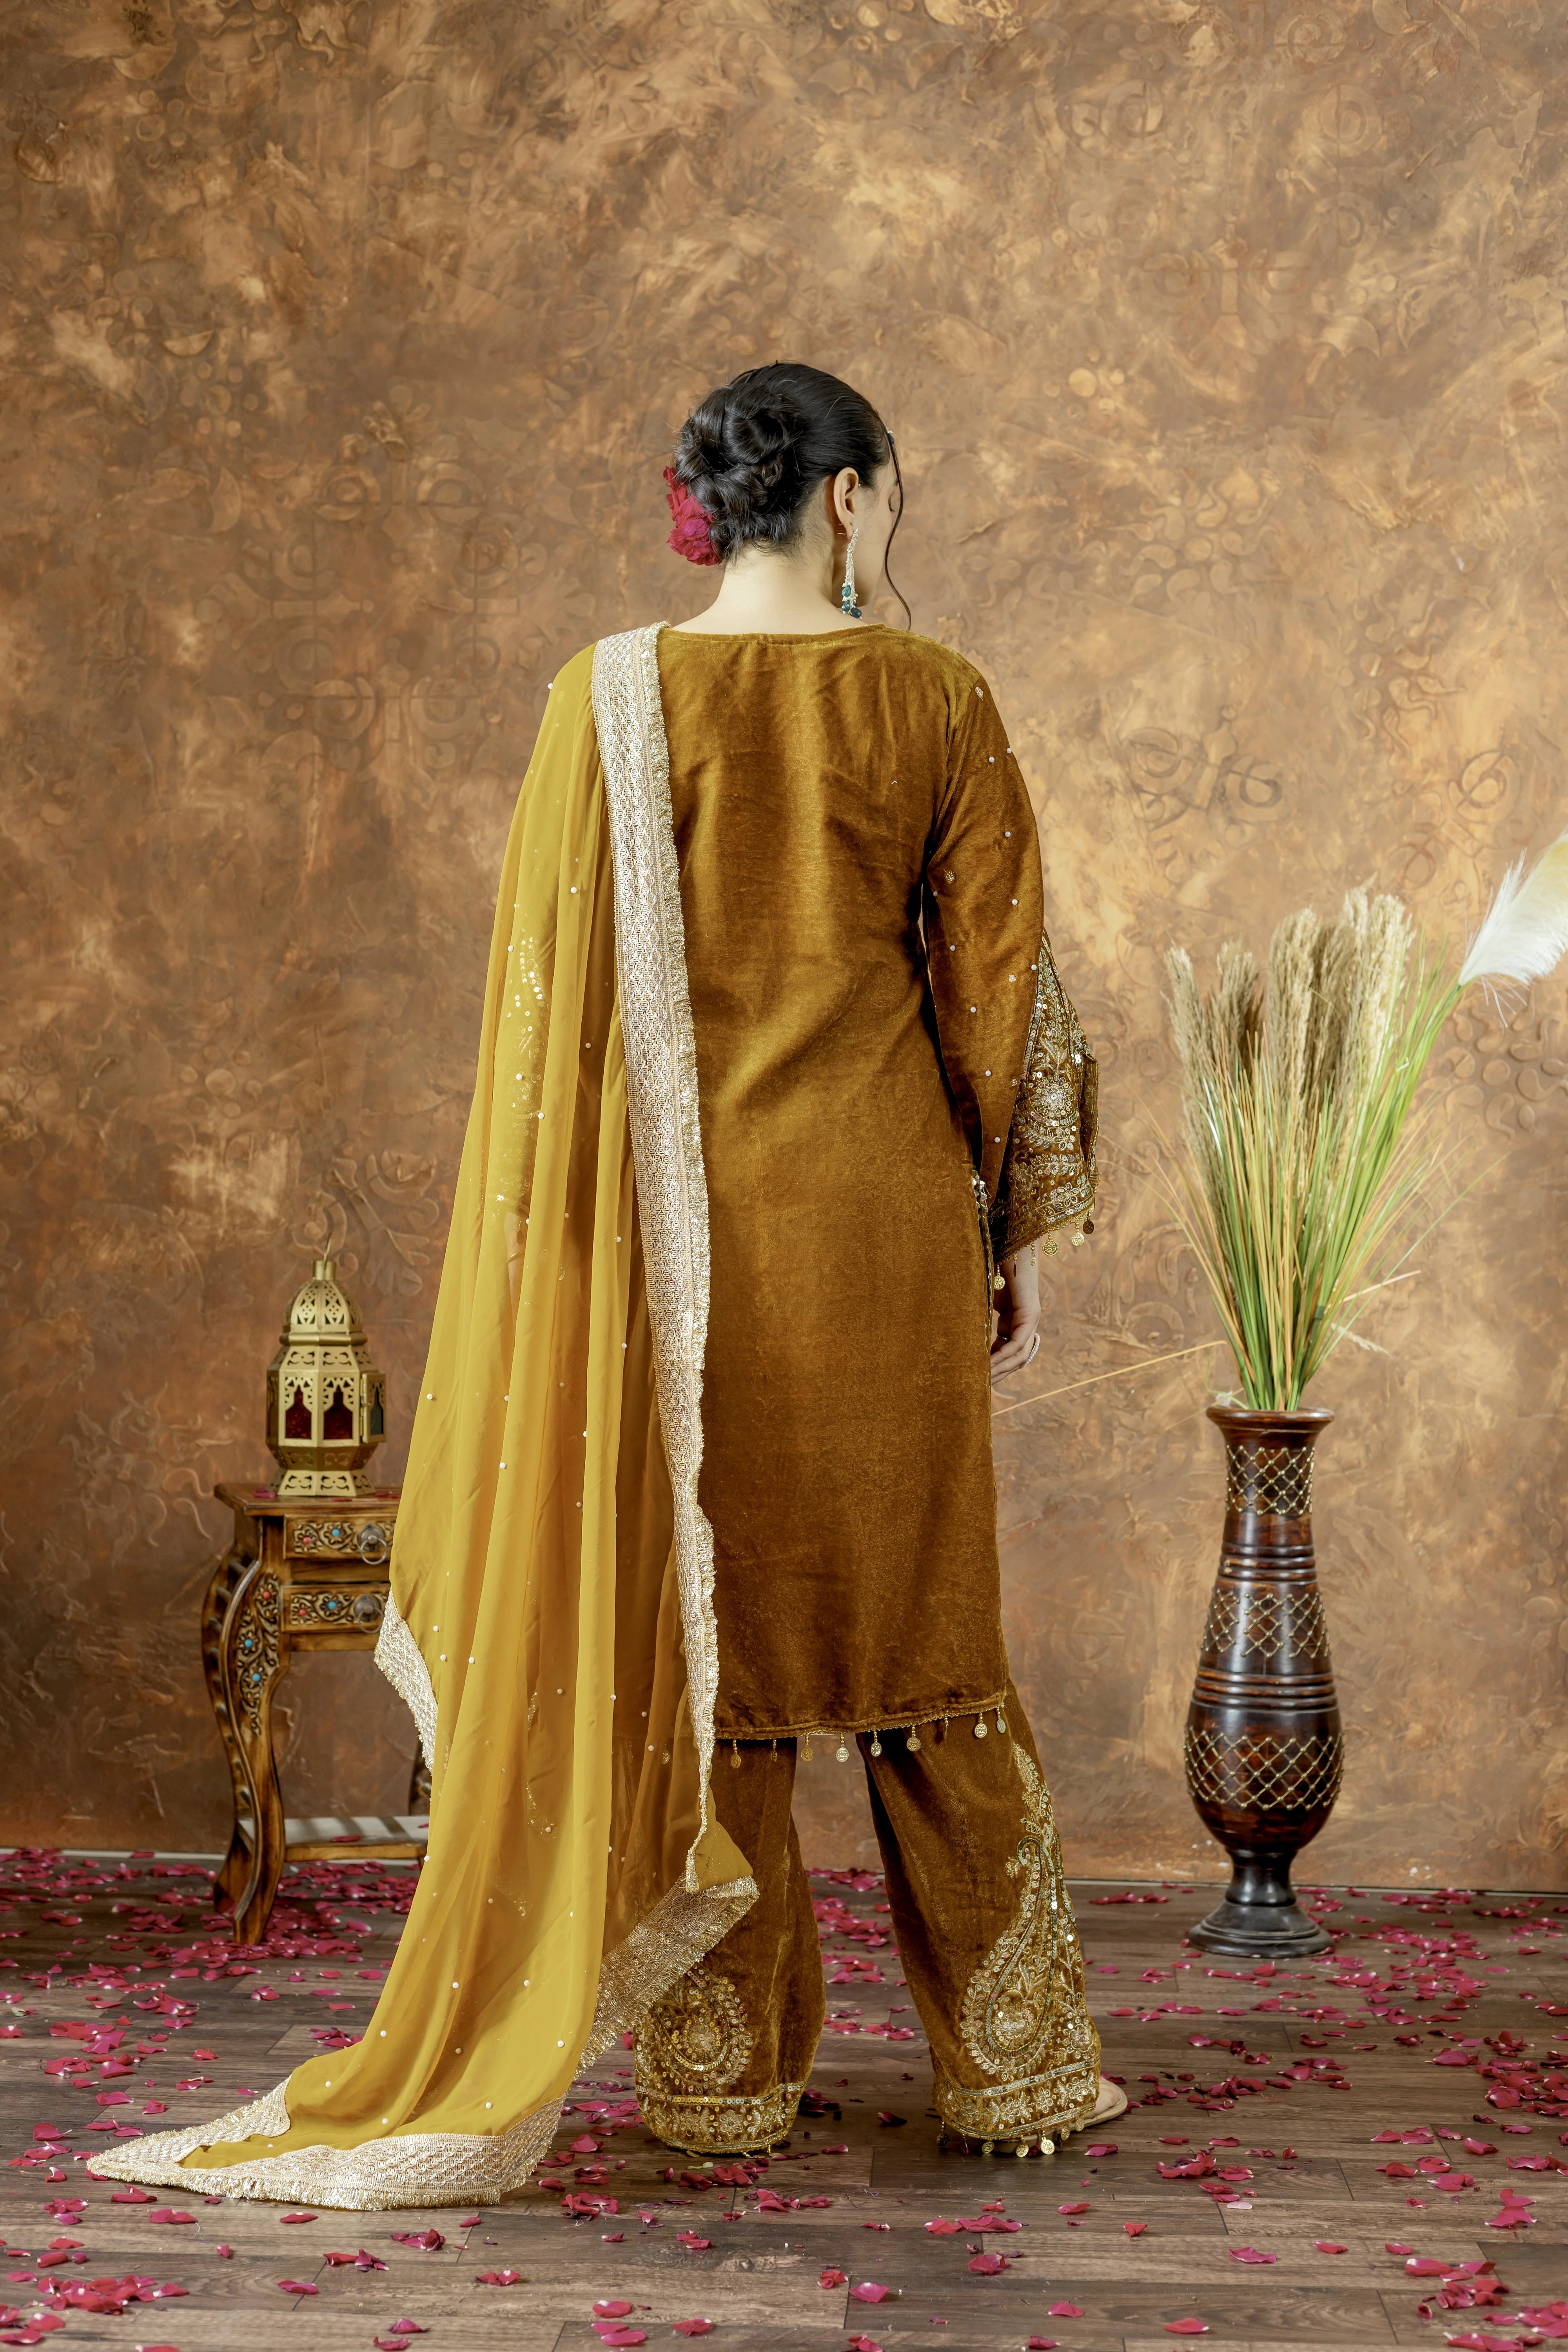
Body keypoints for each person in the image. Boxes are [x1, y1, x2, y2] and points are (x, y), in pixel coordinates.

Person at [91, 363, 1119, 2211]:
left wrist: (559, 1278)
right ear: (855, 500)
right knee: (924, 1655)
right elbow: (998, 987)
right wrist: (1019, 1229)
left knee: (710, 1642)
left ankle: (722, 2085)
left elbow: (547, 1034)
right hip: (882, 1237)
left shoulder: (605, 698)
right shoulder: (936, 697)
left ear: (716, 503)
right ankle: (1013, 2067)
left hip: (677, 1255)